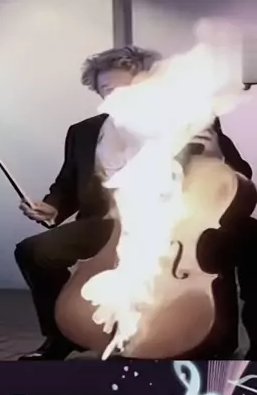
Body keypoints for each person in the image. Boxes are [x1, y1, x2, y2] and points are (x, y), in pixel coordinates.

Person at [15, 46, 256, 360]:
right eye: (108, 89)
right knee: (33, 252)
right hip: (108, 224)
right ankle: (60, 336)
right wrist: (53, 207)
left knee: (251, 237)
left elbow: (239, 178)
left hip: (180, 222)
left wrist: (216, 157)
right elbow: (67, 185)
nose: (118, 96)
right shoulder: (84, 132)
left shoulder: (190, 121)